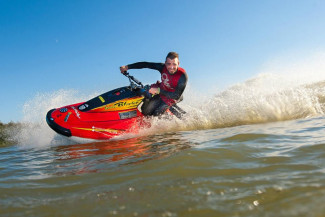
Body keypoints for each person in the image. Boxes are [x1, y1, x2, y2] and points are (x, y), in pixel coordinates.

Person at [120, 52, 188, 116]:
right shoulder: (162, 67)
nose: (171, 67)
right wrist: (127, 67)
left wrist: (158, 91)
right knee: (146, 112)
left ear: (178, 63)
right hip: (162, 92)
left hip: (173, 96)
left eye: (174, 64)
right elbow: (146, 64)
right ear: (165, 63)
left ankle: (169, 115)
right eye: (169, 64)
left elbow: (176, 96)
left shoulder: (182, 76)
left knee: (156, 114)